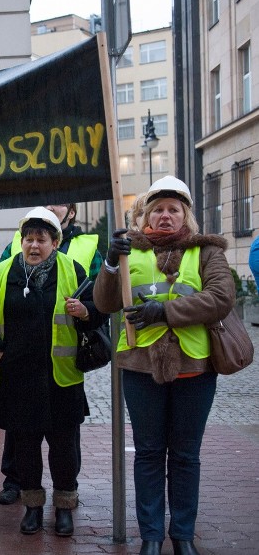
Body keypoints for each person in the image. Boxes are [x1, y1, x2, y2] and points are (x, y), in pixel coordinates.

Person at [94, 176, 234, 555]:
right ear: (144, 216)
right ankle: (152, 536)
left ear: (186, 215)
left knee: (186, 455)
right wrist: (109, 264)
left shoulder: (206, 252)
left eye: (174, 209)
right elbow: (105, 304)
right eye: (158, 209)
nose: (166, 215)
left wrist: (165, 311)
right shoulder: (127, 252)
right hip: (140, 368)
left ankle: (183, 535)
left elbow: (221, 297)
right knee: (150, 453)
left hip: (194, 367)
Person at [0, 207, 105, 537]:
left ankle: (65, 506)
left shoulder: (74, 269)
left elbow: (101, 309)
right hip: (19, 377)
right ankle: (32, 507)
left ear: (55, 242)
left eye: (41, 239)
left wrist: (86, 311)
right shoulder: (3, 272)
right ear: (21, 241)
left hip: (62, 377)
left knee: (63, 449)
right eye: (29, 239)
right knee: (25, 448)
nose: (34, 246)